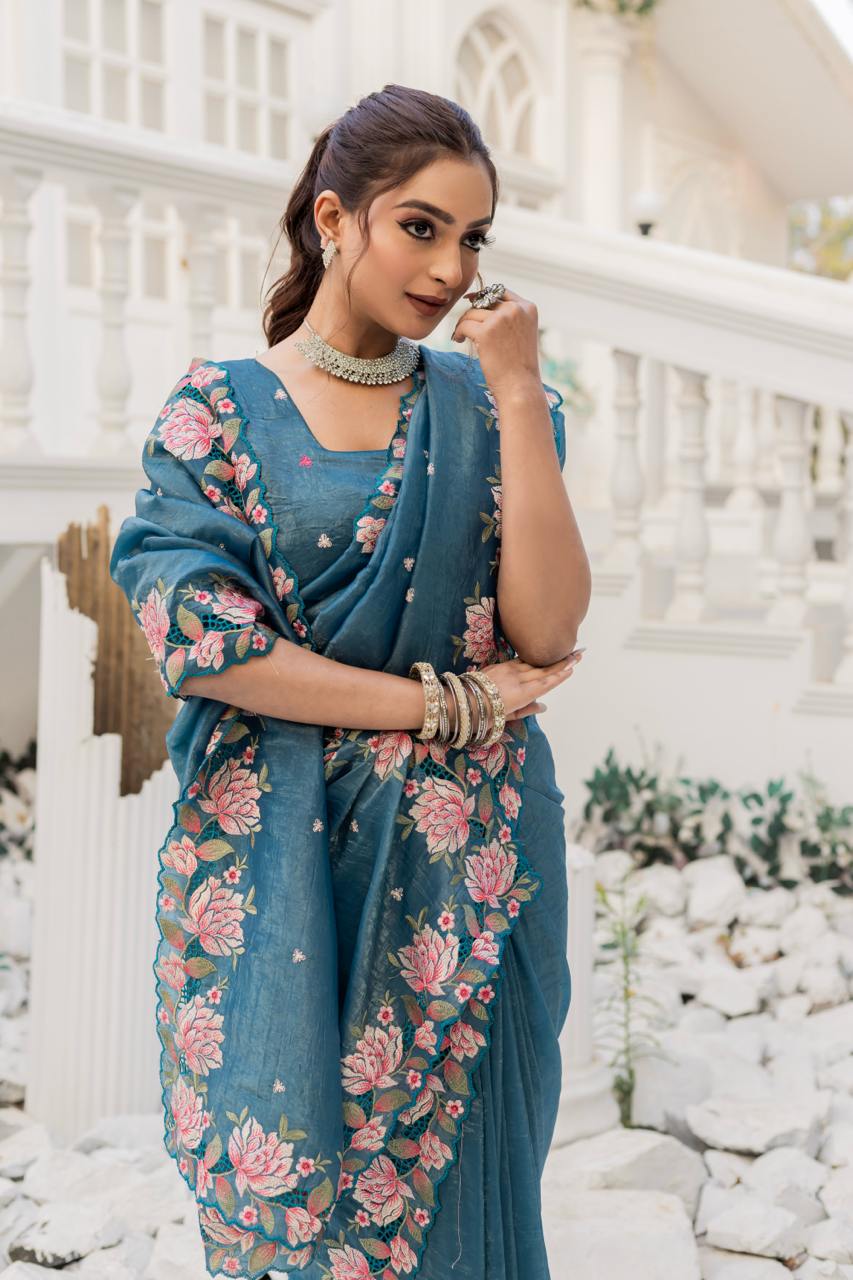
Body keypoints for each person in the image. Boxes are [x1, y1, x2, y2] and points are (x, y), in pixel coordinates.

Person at [110, 82, 590, 1280]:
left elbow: (547, 623)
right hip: (292, 864)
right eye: (419, 226)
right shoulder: (215, 414)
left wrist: (517, 391)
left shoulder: (488, 407)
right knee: (309, 1205)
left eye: (471, 238)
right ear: (334, 218)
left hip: (477, 866)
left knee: (477, 1195)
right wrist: (440, 705)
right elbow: (210, 644)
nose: (448, 268)